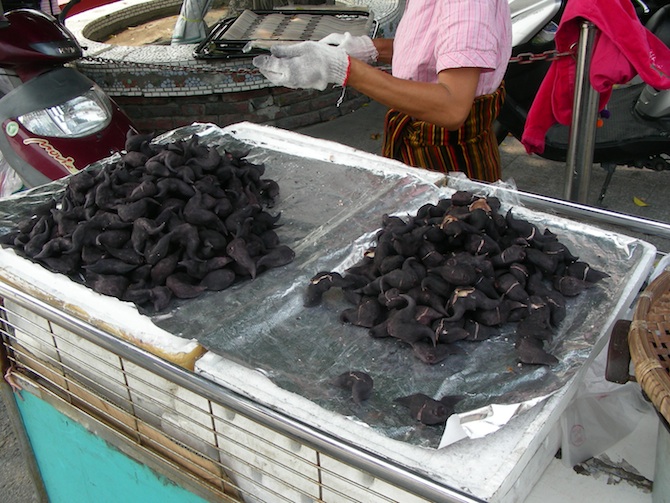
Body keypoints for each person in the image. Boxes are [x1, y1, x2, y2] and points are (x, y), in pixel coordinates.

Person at [253, 0, 512, 183]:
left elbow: (452, 107)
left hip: (448, 158)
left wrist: (343, 68)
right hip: (418, 142)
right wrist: (367, 49)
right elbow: (434, 46)